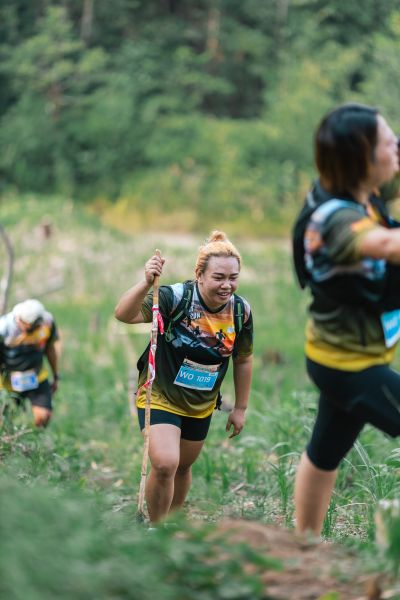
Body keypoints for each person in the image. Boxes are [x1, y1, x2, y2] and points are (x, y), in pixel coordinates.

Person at [292, 102, 400, 536]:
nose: (396, 147)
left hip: (338, 356)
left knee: (325, 452)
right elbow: (386, 246)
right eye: (389, 142)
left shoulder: (361, 191)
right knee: (325, 450)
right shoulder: (333, 219)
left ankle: (304, 543)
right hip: (350, 367)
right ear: (363, 158)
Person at [115, 231, 253, 523]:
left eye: (233, 277)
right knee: (166, 463)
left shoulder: (240, 311)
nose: (227, 285)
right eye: (218, 277)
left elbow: (243, 359)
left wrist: (240, 408)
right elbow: (124, 314)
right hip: (160, 393)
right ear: (199, 275)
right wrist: (145, 282)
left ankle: (171, 526)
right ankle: (155, 528)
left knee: (182, 467)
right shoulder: (174, 298)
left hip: (201, 402)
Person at [0, 299, 60, 427]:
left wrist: (55, 375)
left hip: (36, 376)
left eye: (36, 325)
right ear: (19, 320)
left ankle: (34, 436)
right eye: (27, 325)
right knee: (3, 421)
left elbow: (50, 349)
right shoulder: (4, 328)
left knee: (43, 417)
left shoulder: (47, 323)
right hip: (6, 381)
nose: (32, 328)